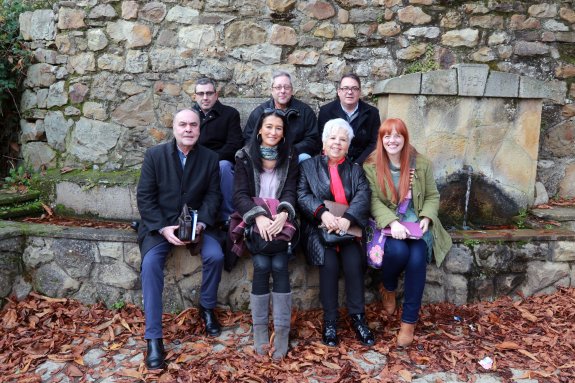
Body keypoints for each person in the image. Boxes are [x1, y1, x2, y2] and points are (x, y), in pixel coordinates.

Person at [137, 109, 225, 369]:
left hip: (197, 227)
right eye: (183, 124)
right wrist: (164, 227)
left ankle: (207, 308)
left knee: (216, 255)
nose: (188, 129)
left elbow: (213, 196)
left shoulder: (210, 158)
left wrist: (201, 224)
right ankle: (154, 339)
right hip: (160, 227)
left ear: (199, 129)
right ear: (174, 128)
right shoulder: (154, 156)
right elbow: (145, 197)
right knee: (150, 265)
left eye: (193, 125)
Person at [363, 118, 452, 347]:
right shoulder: (371, 165)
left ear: (405, 138)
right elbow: (372, 200)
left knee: (417, 260)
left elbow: (433, 196)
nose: (393, 141)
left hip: (416, 225)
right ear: (381, 139)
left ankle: (408, 322)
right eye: (387, 136)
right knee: (399, 253)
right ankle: (388, 287)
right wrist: (392, 223)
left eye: (398, 136)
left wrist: (427, 217)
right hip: (390, 227)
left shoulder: (420, 164)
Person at [297, 118, 375, 348]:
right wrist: (322, 213)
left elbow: (363, 195)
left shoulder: (355, 170)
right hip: (319, 229)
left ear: (348, 146)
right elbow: (302, 194)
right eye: (333, 138)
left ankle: (358, 317)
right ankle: (330, 321)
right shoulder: (308, 166)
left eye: (343, 139)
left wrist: (346, 219)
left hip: (348, 230)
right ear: (324, 141)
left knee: (354, 265)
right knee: (328, 266)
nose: (337, 143)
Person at [234, 109, 298, 359]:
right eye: (269, 127)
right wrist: (258, 216)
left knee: (280, 264)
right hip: (253, 219)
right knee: (261, 264)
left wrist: (283, 214)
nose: (273, 132)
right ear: (259, 129)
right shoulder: (244, 156)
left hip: (282, 219)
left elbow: (291, 190)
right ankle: (260, 331)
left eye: (278, 128)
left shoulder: (290, 156)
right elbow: (238, 194)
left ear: (283, 134)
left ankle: (282, 332)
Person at [193, 77, 243, 228]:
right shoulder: (190, 116)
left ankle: (227, 217)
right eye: (201, 94)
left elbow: (234, 144)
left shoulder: (230, 114)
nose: (205, 97)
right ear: (195, 96)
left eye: (209, 93)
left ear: (216, 94)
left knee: (224, 167)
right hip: (196, 160)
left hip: (221, 160)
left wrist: (211, 160)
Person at [243, 70, 319, 163]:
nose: (282, 91)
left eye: (286, 87)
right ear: (272, 90)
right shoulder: (259, 112)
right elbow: (248, 139)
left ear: (292, 90)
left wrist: (289, 151)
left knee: (305, 158)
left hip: (294, 156)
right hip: (266, 157)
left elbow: (312, 140)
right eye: (278, 87)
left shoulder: (305, 112)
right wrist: (267, 152)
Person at [317, 73, 380, 165]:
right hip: (333, 162)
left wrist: (358, 163)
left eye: (354, 88)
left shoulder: (372, 113)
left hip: (362, 163)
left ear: (359, 92)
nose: (350, 92)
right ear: (339, 92)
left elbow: (374, 143)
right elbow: (322, 140)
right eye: (345, 88)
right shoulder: (326, 111)